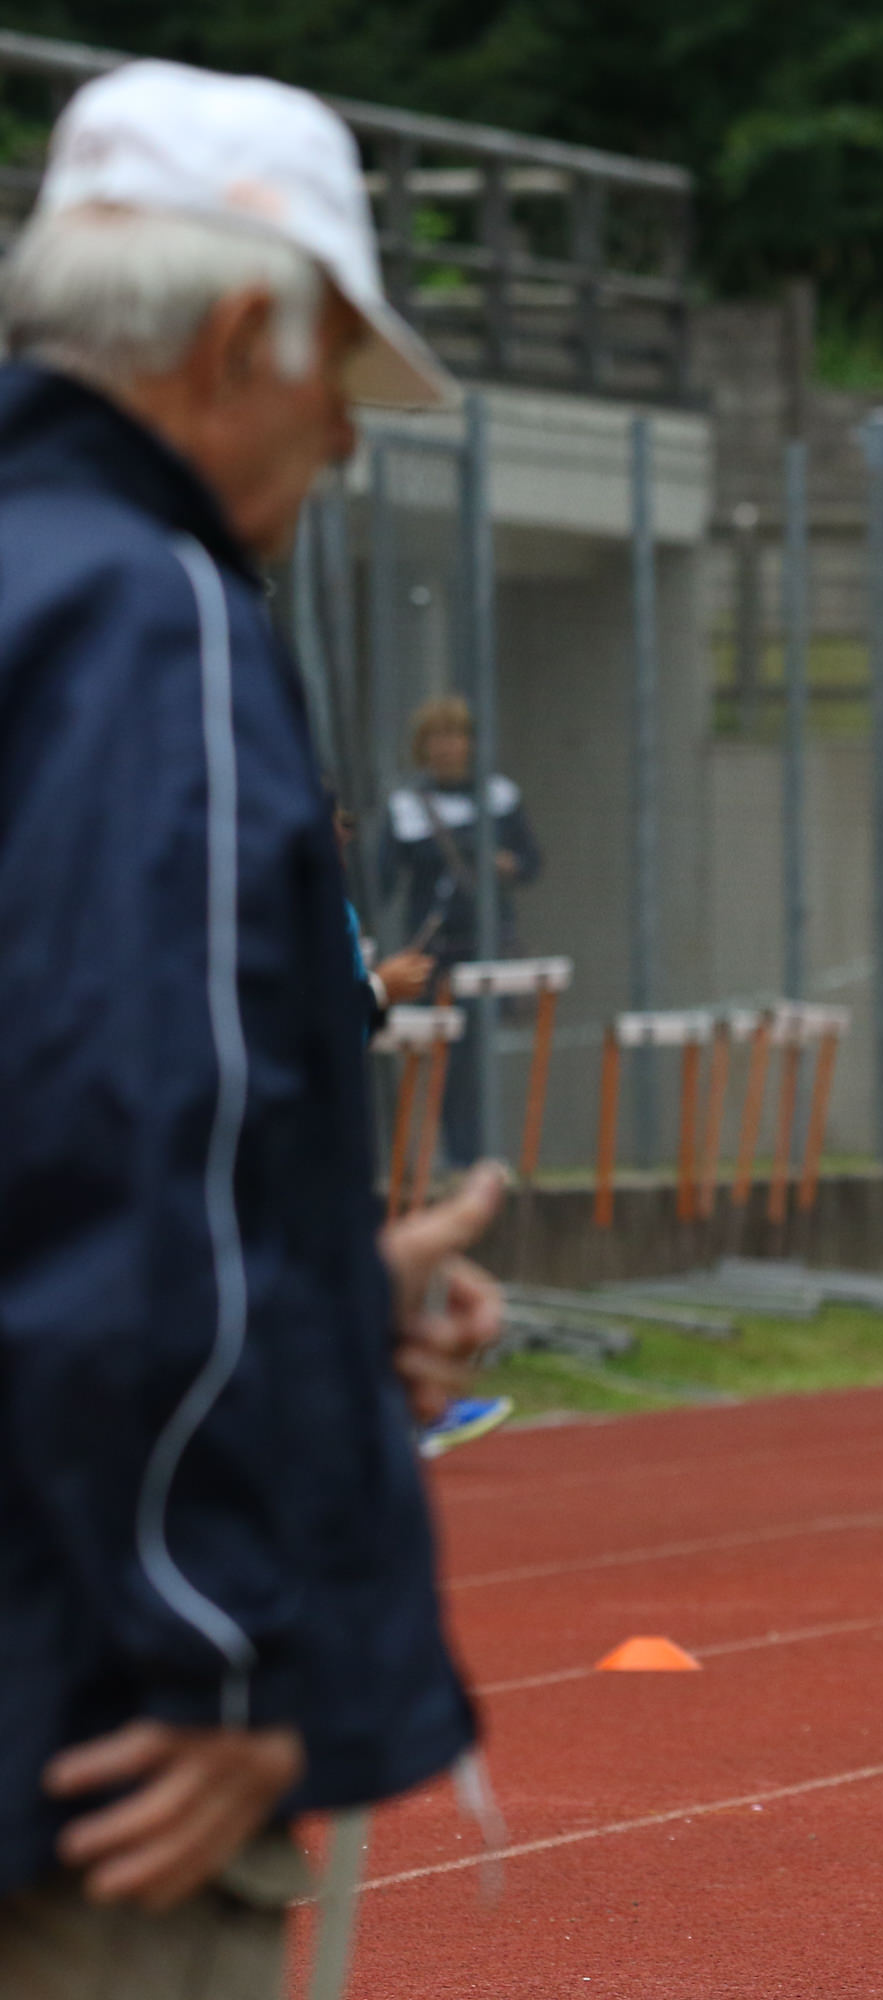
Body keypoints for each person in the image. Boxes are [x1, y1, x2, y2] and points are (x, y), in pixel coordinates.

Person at [0, 58, 509, 1995]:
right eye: (337, 381)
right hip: (86, 1731)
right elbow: (140, 1133)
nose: (348, 442)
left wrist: (320, 1298)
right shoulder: (154, 615)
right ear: (235, 340)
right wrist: (218, 1646)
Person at [385, 692, 543, 1165]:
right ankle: (440, 1162)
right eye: (436, 737)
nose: (447, 746)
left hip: (484, 947)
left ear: (470, 743)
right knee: (438, 1058)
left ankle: (468, 1161)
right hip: (432, 953)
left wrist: (505, 864)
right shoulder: (406, 808)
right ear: (421, 746)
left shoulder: (498, 797)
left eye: (455, 735)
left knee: (469, 1062)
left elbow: (532, 862)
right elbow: (382, 880)